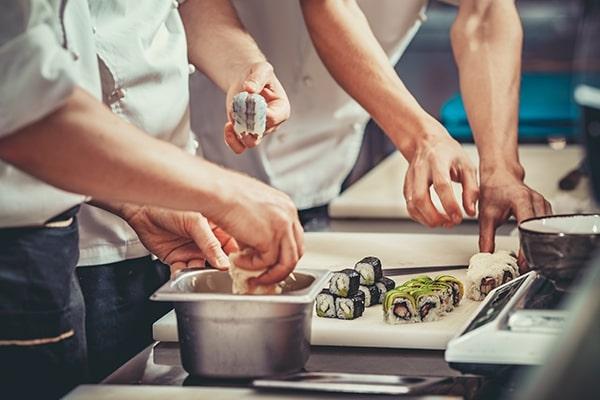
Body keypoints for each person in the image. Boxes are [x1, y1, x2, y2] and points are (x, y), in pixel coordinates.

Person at [0, 0, 300, 397]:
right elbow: (26, 109)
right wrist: (228, 194)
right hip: (23, 246)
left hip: (134, 222)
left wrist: (139, 204)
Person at [191, 0, 552, 250]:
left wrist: (502, 168)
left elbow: (486, 13)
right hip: (201, 157)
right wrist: (421, 136)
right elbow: (328, 6)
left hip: (323, 169)